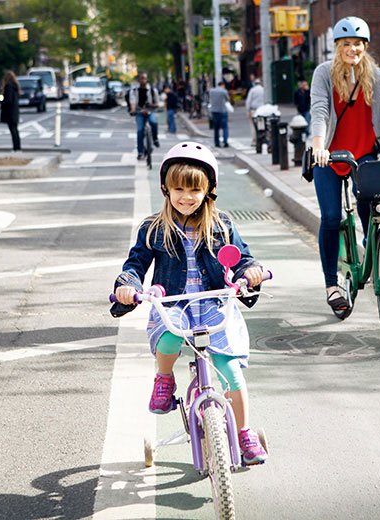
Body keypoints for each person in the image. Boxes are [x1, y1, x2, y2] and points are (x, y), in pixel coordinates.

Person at [110, 141, 268, 465]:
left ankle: (244, 432)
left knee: (231, 371)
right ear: (165, 189)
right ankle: (165, 378)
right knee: (168, 337)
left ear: (208, 190)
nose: (186, 196)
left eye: (194, 189)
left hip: (213, 305)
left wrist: (249, 272)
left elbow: (243, 259)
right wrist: (128, 285)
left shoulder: (221, 224)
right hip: (175, 307)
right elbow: (135, 265)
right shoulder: (154, 228)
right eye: (178, 188)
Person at [310, 16, 380, 315]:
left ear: (365, 47)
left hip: (363, 153)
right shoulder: (323, 74)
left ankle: (373, 248)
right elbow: (320, 110)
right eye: (346, 44)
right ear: (337, 47)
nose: (352, 49)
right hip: (330, 155)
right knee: (331, 217)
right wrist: (318, 146)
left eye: (357, 44)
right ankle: (331, 284)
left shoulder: (376, 75)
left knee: (371, 209)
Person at [129, 73, 160, 160]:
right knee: (140, 130)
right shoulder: (134, 90)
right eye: (141, 78)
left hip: (150, 111)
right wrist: (133, 110)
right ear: (139, 80)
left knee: (153, 122)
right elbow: (133, 102)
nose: (143, 80)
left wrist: (153, 105)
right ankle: (140, 152)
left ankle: (155, 139)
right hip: (139, 112)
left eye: (145, 78)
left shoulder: (153, 91)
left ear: (147, 80)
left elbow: (157, 103)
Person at [0, 71, 21, 152]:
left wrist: (2, 101)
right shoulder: (16, 86)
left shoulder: (8, 87)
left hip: (9, 112)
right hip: (14, 111)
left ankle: (16, 148)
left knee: (13, 130)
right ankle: (17, 147)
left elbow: (8, 100)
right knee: (15, 130)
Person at [209, 81, 230, 148]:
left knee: (216, 128)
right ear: (222, 85)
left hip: (214, 111)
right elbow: (227, 99)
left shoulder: (212, 91)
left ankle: (216, 142)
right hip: (222, 111)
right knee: (225, 127)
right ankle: (225, 141)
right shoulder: (224, 91)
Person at [245, 78, 264, 146]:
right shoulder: (263, 90)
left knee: (253, 126)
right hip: (262, 110)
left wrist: (248, 112)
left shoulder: (252, 90)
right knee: (262, 126)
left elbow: (248, 102)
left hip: (254, 110)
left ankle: (254, 141)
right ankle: (262, 140)